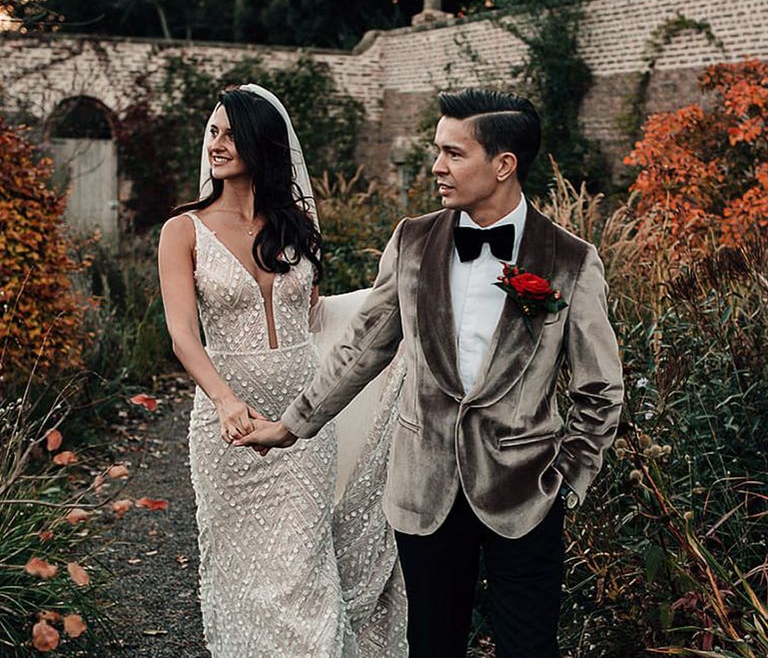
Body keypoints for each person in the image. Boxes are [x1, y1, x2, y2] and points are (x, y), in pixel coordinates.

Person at [236, 88, 624, 657]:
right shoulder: (412, 241)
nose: (436, 166)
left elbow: (600, 387)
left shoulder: (570, 259)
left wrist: (566, 477)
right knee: (432, 646)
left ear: (503, 164)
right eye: (436, 150)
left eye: (453, 153)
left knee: (529, 647)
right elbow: (363, 345)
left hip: (527, 491)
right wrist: (291, 425)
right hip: (425, 489)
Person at [157, 84, 407, 657]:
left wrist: (398, 314)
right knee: (244, 578)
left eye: (230, 133)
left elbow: (319, 317)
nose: (216, 144)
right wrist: (223, 400)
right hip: (228, 435)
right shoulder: (183, 231)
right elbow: (181, 335)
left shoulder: (295, 227)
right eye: (213, 132)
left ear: (262, 143)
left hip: (302, 428)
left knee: (303, 573)